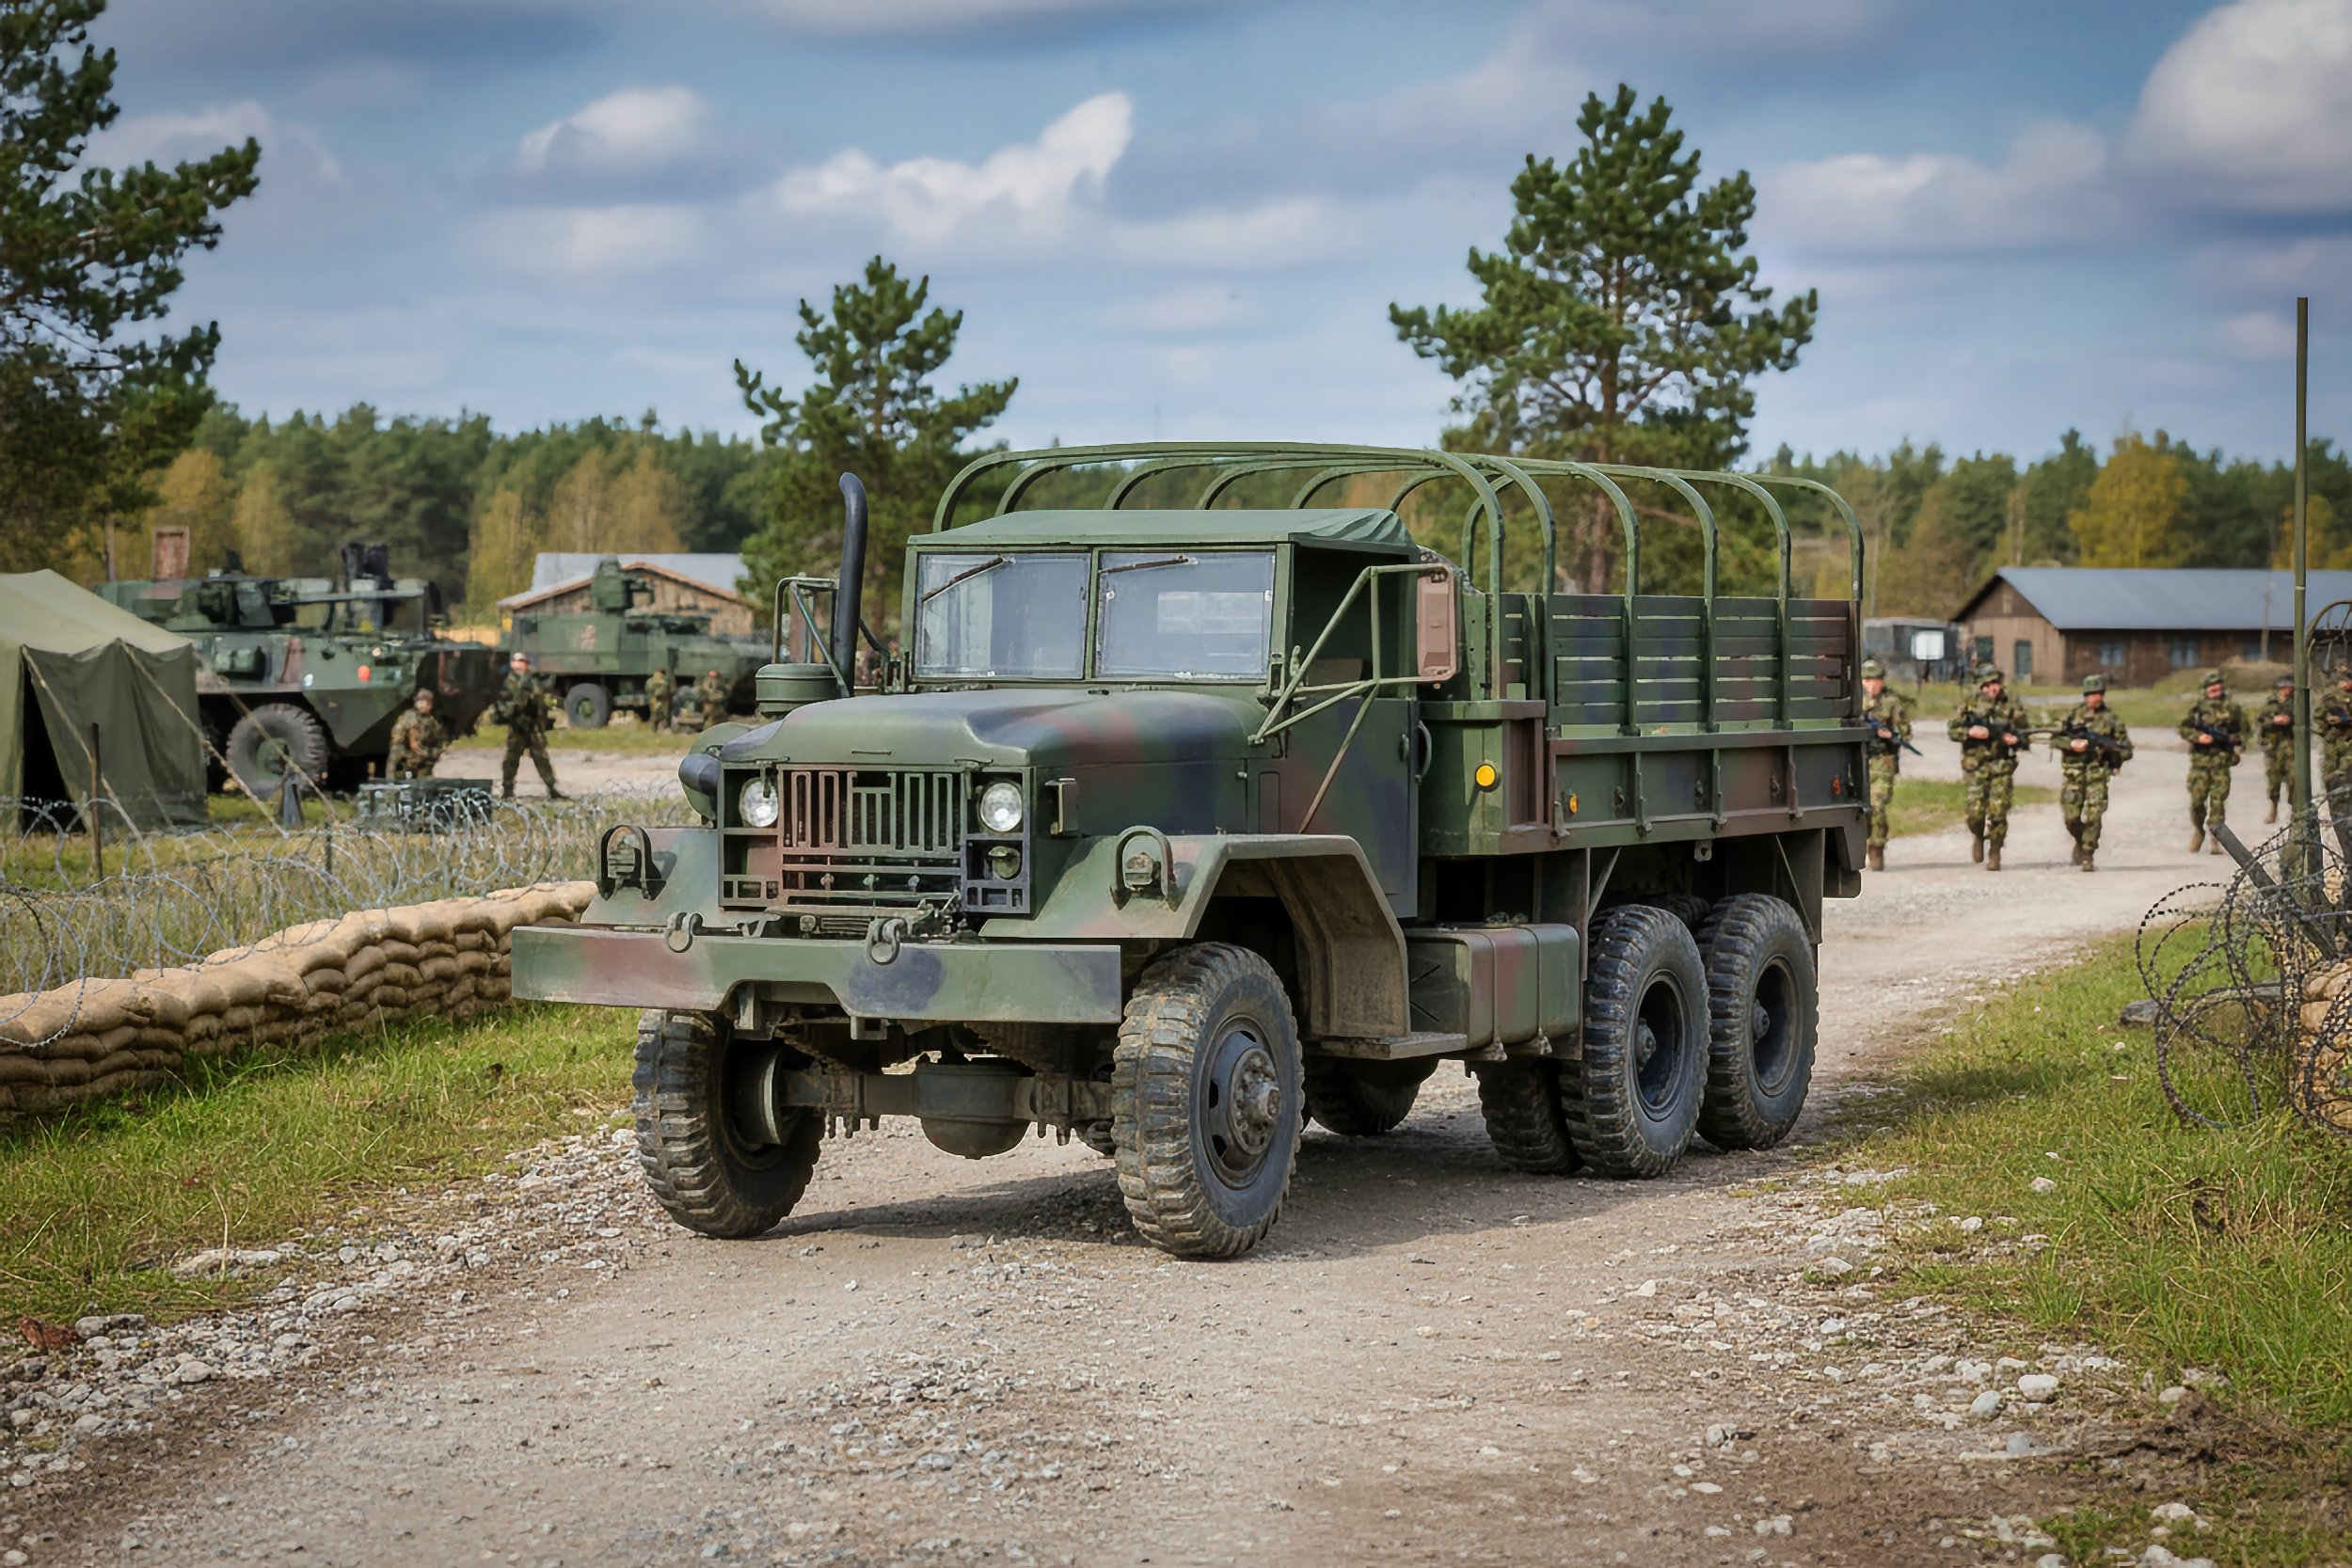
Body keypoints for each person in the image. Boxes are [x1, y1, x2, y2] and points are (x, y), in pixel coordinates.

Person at [1947, 666, 2030, 871]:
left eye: (1996, 684)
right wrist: (1970, 732)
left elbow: (2025, 734)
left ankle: (1995, 851)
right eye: (1988, 684)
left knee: (1998, 812)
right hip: (1975, 766)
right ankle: (1977, 835)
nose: (1993, 688)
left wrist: (2015, 740)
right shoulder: (1969, 704)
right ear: (1982, 686)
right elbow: (1952, 730)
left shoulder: (2011, 706)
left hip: (2002, 765)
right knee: (1975, 812)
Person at [2057, 674, 2133, 873]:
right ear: (2085, 696)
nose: (2095, 698)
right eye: (2091, 694)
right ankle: (2080, 840)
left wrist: (2110, 752)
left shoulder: (2112, 720)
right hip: (2074, 774)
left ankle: (2088, 855)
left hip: (2097, 775)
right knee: (2071, 818)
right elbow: (2055, 739)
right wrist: (2071, 744)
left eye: (2098, 693)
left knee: (2094, 817)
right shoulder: (2073, 717)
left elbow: (2126, 749)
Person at [2178, 668, 2245, 854]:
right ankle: (2199, 830)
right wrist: (2198, 737)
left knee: (2218, 801)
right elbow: (2184, 729)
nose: (2216, 693)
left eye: (2219, 689)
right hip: (2200, 763)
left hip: (2221, 762)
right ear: (2206, 691)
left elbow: (2244, 730)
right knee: (2197, 802)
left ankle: (2217, 838)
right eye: (2212, 690)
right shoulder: (2197, 710)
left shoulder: (2233, 709)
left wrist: (2236, 741)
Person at [1858, 657, 1911, 872]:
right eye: (1867, 680)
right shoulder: (1854, 700)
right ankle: (1861, 844)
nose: (1871, 685)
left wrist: (1890, 734)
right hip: (1857, 760)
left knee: (1877, 805)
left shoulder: (1891, 703)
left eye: (1876, 680)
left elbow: (1906, 732)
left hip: (1882, 761)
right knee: (1859, 809)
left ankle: (1877, 846)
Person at [497, 652, 564, 800]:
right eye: (518, 661)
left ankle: (552, 788)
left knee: (541, 757)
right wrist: (513, 707)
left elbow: (540, 697)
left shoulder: (533, 680)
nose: (521, 664)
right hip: (517, 726)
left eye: (523, 661)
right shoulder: (508, 681)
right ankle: (507, 790)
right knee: (512, 759)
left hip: (533, 726)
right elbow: (502, 703)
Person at [2257, 673, 2296, 825]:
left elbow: (2304, 721)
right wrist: (2274, 720)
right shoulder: (2271, 703)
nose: (2286, 691)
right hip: (2274, 749)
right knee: (2274, 781)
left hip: (2291, 749)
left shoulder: (2296, 703)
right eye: (2283, 688)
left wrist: (2290, 720)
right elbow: (2261, 721)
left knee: (2294, 781)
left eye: (2289, 688)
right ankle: (2273, 810)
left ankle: (2296, 812)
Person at [386, 689, 447, 781]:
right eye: (420, 701)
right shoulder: (409, 716)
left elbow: (441, 737)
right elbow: (397, 733)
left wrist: (437, 750)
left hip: (424, 754)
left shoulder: (432, 720)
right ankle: (391, 781)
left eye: (426, 702)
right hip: (407, 752)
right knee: (395, 751)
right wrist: (406, 746)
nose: (423, 705)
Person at [644, 666, 675, 734]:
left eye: (659, 673)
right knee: (654, 716)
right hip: (654, 700)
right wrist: (654, 701)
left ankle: (665, 729)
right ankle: (654, 730)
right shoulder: (650, 681)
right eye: (657, 673)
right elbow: (650, 691)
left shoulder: (665, 683)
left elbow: (668, 692)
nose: (657, 675)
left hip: (664, 702)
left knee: (664, 716)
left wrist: (663, 684)